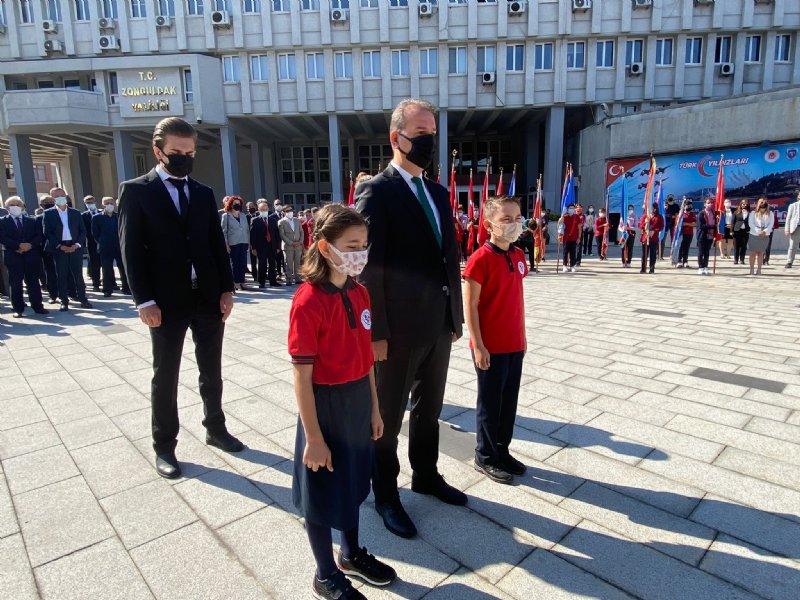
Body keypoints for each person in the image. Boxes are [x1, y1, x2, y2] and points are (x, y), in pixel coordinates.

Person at [356, 98, 466, 540]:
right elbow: (369, 268)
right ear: (395, 138)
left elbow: (447, 257)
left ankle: (426, 474)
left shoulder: (438, 192)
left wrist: (454, 316)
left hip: (437, 323)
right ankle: (384, 493)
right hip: (396, 331)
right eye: (420, 134)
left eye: (432, 135)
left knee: (430, 408)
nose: (428, 143)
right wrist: (376, 333)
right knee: (386, 416)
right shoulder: (377, 191)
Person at [118, 117, 243, 480]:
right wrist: (143, 301)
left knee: (212, 369)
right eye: (176, 153)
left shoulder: (203, 193)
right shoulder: (137, 191)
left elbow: (214, 247)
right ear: (158, 152)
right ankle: (164, 446)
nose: (184, 158)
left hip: (206, 297)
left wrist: (226, 289)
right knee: (166, 374)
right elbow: (131, 250)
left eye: (190, 152)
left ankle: (215, 428)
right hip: (165, 300)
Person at [289, 205, 396, 600]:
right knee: (320, 495)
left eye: (364, 245)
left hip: (356, 403)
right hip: (324, 407)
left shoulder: (361, 292)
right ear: (325, 247)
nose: (360, 253)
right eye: (351, 245)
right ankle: (325, 574)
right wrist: (314, 437)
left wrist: (374, 407)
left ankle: (350, 553)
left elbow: (366, 356)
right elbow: (301, 374)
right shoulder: (308, 300)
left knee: (352, 484)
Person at [463, 196, 528, 485]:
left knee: (508, 402)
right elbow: (471, 306)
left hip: (515, 343)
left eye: (517, 218)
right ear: (489, 225)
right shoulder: (480, 260)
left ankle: (502, 450)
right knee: (490, 405)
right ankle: (485, 456)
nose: (514, 224)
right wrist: (478, 345)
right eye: (506, 219)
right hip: (490, 347)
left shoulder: (518, 255)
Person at [43, 190, 93, 311]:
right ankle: (64, 301)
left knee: (78, 276)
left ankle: (83, 299)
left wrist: (77, 244)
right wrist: (60, 246)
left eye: (62, 195)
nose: (60, 198)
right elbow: (47, 232)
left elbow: (82, 230)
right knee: (62, 275)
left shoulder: (75, 213)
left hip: (75, 247)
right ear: (52, 198)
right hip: (60, 248)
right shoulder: (48, 213)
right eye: (57, 196)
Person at [0, 197, 48, 318]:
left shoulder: (32, 220)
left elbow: (39, 236)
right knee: (15, 283)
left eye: (17, 204)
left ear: (22, 206)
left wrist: (29, 245)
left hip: (31, 255)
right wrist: (18, 245)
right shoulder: (2, 221)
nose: (15, 206)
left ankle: (38, 306)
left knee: (33, 282)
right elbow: (3, 237)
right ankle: (18, 308)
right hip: (13, 255)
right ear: (7, 207)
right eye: (11, 204)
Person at [92, 197, 129, 297]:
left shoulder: (119, 216)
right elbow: (95, 233)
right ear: (102, 205)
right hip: (105, 247)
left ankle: (126, 288)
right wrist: (102, 242)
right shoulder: (97, 218)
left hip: (119, 246)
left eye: (111, 203)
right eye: (107, 203)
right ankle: (107, 289)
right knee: (106, 269)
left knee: (123, 267)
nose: (109, 205)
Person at [221, 195, 251, 291]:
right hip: (233, 243)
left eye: (238, 204)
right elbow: (224, 232)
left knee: (243, 263)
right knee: (235, 263)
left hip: (244, 241)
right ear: (230, 204)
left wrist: (249, 243)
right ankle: (236, 282)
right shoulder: (226, 216)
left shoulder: (243, 215)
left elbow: (247, 230)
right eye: (235, 204)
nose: (237, 205)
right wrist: (226, 245)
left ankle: (242, 281)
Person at [249, 200, 281, 288]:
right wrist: (253, 248)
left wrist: (278, 246)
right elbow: (253, 236)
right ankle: (261, 282)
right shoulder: (255, 221)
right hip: (261, 246)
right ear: (258, 210)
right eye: (262, 209)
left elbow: (276, 235)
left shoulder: (273, 220)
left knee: (272, 264)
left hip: (272, 245)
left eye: (266, 209)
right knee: (262, 264)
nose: (264, 211)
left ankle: (273, 281)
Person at [36, 196, 59, 304]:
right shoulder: (38, 218)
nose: (49, 203)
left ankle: (69, 292)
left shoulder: (60, 215)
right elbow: (39, 235)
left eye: (51, 201)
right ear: (41, 205)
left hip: (62, 248)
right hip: (47, 250)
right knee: (50, 273)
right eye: (46, 202)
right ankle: (53, 294)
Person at [279, 205, 305, 285]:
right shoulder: (281, 222)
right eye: (287, 211)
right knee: (288, 263)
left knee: (298, 263)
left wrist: (300, 241)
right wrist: (291, 243)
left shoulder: (297, 220)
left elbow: (301, 231)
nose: (290, 212)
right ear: (283, 212)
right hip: (288, 246)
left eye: (291, 210)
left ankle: (298, 278)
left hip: (298, 245)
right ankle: (289, 279)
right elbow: (282, 235)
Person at [81, 195, 102, 291]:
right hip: (91, 242)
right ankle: (96, 284)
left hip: (104, 241)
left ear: (95, 202)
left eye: (91, 202)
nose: (90, 204)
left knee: (106, 263)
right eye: (87, 202)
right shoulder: (83, 216)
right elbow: (83, 229)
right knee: (94, 263)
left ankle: (111, 282)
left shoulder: (102, 213)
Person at [747, 198, 773, 276]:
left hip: (765, 235)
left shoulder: (770, 213)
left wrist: (765, 231)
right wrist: (758, 231)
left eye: (764, 208)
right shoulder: (753, 213)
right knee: (752, 253)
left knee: (761, 253)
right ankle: (751, 269)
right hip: (754, 235)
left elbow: (771, 224)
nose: (762, 210)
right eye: (761, 208)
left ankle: (759, 270)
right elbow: (751, 224)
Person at [639, 202, 664, 274]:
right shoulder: (645, 216)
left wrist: (654, 231)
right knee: (644, 254)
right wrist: (645, 223)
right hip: (645, 237)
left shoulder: (659, 216)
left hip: (654, 238)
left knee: (653, 254)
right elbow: (641, 226)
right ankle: (643, 269)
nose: (653, 210)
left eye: (654, 208)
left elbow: (661, 227)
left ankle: (652, 269)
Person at [697, 197, 717, 275]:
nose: (710, 204)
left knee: (707, 252)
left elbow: (716, 223)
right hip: (702, 235)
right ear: (705, 204)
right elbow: (702, 226)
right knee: (701, 252)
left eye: (711, 203)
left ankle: (705, 267)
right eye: (708, 203)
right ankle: (700, 267)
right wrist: (713, 226)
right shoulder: (701, 214)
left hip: (710, 236)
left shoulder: (713, 213)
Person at [559, 204, 581, 272]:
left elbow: (579, 228)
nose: (571, 209)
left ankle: (572, 266)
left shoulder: (576, 217)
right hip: (566, 237)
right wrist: (560, 219)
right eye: (570, 208)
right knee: (565, 252)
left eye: (573, 208)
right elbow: (559, 226)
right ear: (567, 209)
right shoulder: (565, 216)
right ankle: (564, 265)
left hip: (574, 237)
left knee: (573, 252)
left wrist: (579, 237)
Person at [677, 201, 696, 268]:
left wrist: (686, 224)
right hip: (681, 233)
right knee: (681, 247)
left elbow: (695, 224)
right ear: (685, 206)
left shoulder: (692, 214)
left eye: (690, 206)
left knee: (686, 248)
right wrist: (689, 224)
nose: (689, 207)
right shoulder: (681, 214)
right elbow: (679, 224)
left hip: (689, 233)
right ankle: (679, 260)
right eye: (688, 206)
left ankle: (685, 261)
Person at [731, 199, 750, 265]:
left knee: (744, 246)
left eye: (746, 204)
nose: (744, 205)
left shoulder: (749, 213)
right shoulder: (736, 212)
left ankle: (742, 259)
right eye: (743, 204)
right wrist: (731, 230)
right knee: (736, 246)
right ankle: (736, 259)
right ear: (741, 204)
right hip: (737, 231)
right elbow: (732, 222)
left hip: (745, 231)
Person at [784, 192, 800, 269]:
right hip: (796, 228)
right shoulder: (793, 205)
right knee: (793, 246)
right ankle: (789, 262)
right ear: (799, 196)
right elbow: (788, 218)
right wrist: (787, 229)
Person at [272, 199, 286, 279]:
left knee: (285, 258)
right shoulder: (272, 216)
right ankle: (279, 273)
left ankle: (286, 272)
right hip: (277, 240)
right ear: (274, 206)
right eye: (277, 204)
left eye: (280, 203)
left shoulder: (285, 215)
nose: (279, 205)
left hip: (285, 240)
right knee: (277, 258)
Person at [245, 201, 258, 281]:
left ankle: (262, 274)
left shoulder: (259, 215)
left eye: (252, 206)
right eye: (249, 207)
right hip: (251, 241)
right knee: (253, 260)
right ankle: (255, 275)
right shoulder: (246, 217)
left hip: (259, 240)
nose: (251, 208)